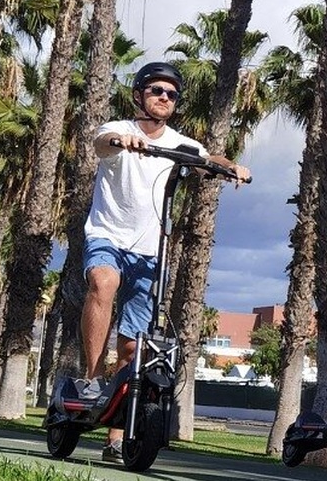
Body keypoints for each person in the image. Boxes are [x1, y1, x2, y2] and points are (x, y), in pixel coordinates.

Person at [79, 61, 251, 462]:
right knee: (103, 283)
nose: (164, 98)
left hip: (150, 251)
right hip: (107, 235)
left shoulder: (179, 143)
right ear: (140, 95)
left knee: (131, 350)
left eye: (171, 95)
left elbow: (210, 156)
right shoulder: (115, 128)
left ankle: (115, 440)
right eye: (157, 91)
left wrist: (233, 168)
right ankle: (89, 379)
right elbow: (102, 143)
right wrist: (125, 140)